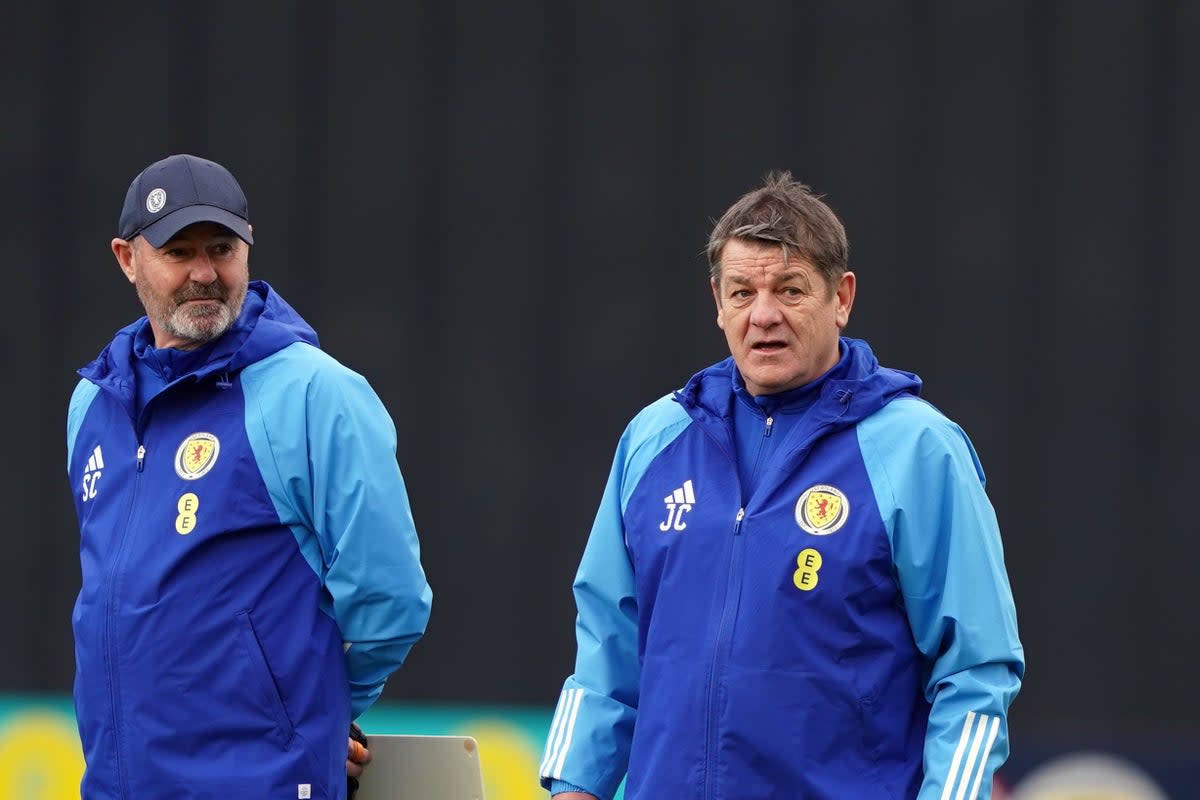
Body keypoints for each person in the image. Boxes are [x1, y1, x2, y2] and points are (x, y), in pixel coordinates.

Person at [539, 171, 1024, 799]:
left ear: (841, 297)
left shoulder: (917, 449)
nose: (763, 315)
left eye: (789, 290)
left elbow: (977, 668)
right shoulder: (656, 437)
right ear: (717, 302)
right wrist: (573, 785)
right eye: (742, 292)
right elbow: (608, 643)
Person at [65, 153, 433, 798]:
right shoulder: (94, 403)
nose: (204, 273)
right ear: (128, 259)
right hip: (118, 780)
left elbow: (390, 596)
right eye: (179, 252)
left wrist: (313, 710)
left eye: (222, 248)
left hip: (259, 778)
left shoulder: (315, 391)